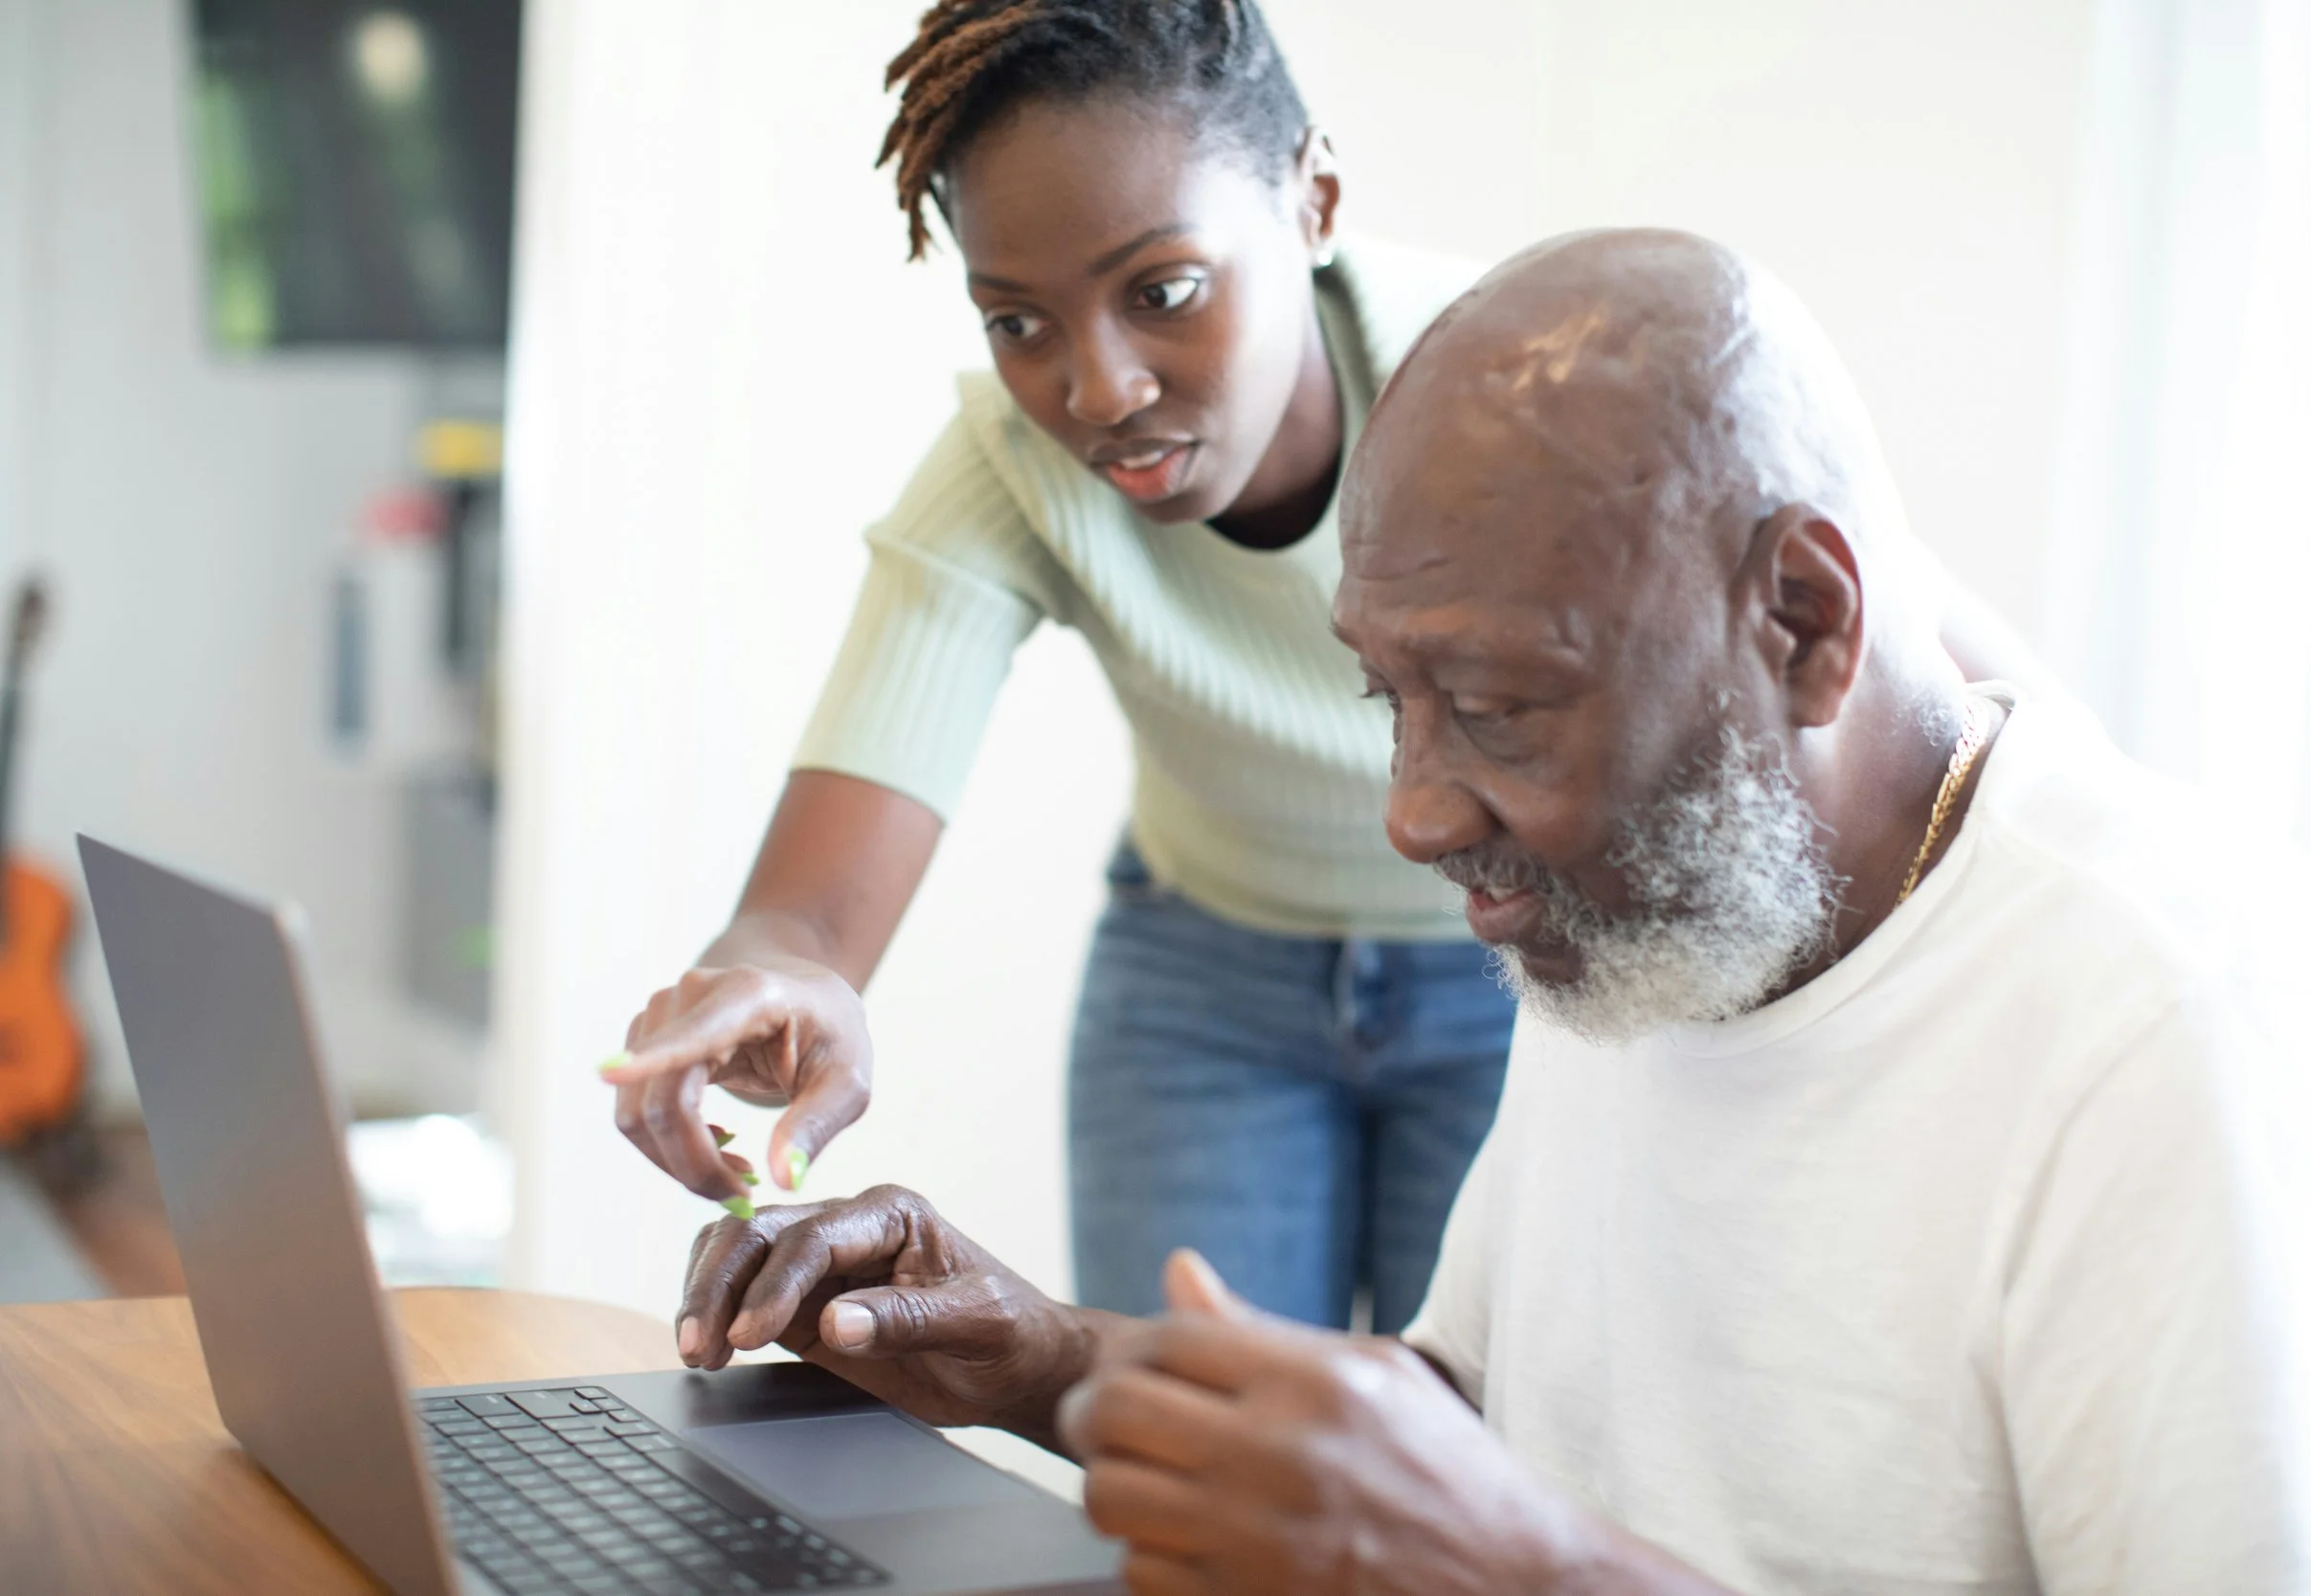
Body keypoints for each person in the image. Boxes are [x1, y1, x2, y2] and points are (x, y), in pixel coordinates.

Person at [667, 230, 2311, 1594]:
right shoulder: (1655, 914)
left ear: (1802, 620)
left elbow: (1509, 1531)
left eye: (1497, 707)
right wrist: (1037, 1358)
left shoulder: (2167, 1033)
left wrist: (1532, 1571)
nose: (1415, 812)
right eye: (1387, 701)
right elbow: (1484, 1417)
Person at [597, 0, 2045, 1332]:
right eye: (1019, 322)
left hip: (1519, 971)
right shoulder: (1003, 476)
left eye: (1161, 289)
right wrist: (772, 984)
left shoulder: (1511, 385)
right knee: (1195, 1467)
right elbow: (803, 922)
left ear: (1314, 199)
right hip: (1206, 979)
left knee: (1492, 1458)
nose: (1096, 388)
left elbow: (1948, 676)